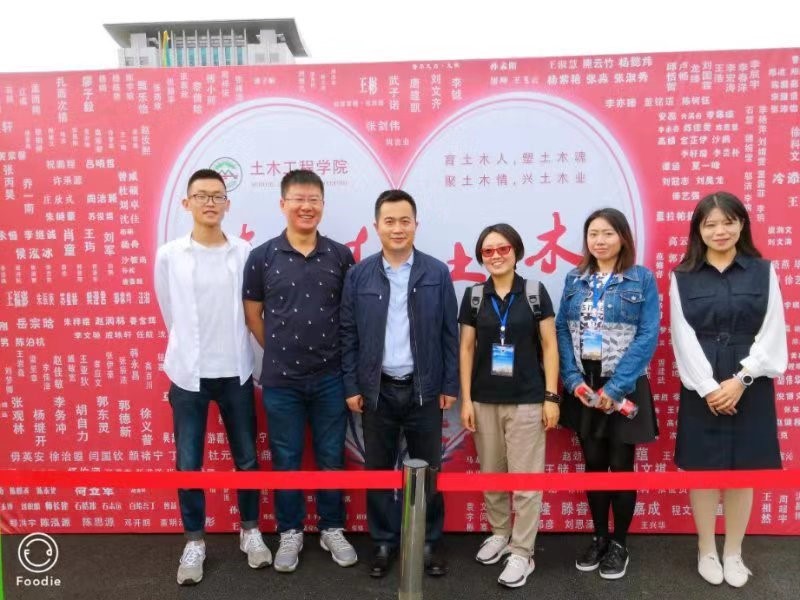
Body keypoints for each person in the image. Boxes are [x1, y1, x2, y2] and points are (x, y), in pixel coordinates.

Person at [154, 168, 270, 585]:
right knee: (188, 461)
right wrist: (187, 349)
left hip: (235, 370)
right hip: (189, 374)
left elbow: (253, 308)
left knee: (247, 458)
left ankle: (250, 531)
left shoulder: (244, 252)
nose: (209, 202)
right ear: (186, 203)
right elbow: (169, 309)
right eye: (201, 195)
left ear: (227, 203)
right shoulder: (170, 255)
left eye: (217, 196)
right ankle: (194, 541)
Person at [670, 191, 787, 588]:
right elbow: (682, 336)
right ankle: (706, 548)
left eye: (728, 222)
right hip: (700, 381)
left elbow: (773, 331)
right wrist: (707, 387)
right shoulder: (682, 275)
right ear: (698, 230)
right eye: (710, 224)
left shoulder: (763, 271)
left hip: (749, 380)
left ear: (742, 225)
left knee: (743, 472)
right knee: (702, 471)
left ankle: (734, 552)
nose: (720, 231)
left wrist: (742, 379)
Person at [243, 169, 357, 573]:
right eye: (298, 199)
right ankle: (290, 531)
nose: (306, 207)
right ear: (283, 204)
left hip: (331, 377)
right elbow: (253, 315)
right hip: (282, 380)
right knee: (286, 459)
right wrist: (279, 350)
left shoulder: (341, 256)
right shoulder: (262, 257)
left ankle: (331, 528)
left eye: (314, 200)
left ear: (323, 205)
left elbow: (350, 317)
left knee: (331, 456)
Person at [340, 189, 459, 578]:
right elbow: (348, 334)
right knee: (378, 469)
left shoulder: (436, 273)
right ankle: (383, 542)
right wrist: (352, 386)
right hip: (377, 390)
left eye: (404, 221)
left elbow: (449, 333)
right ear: (376, 226)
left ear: (416, 225)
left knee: (428, 471)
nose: (397, 228)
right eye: (389, 221)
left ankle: (429, 541)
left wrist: (449, 384)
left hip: (424, 389)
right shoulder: (358, 275)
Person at [555, 207, 660, 580]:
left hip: (624, 383)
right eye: (593, 234)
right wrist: (572, 380)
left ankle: (619, 543)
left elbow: (648, 334)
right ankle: (599, 537)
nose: (599, 241)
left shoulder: (641, 278)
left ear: (623, 238)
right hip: (584, 385)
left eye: (608, 233)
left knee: (621, 466)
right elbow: (561, 330)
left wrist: (614, 388)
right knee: (595, 465)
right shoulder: (575, 278)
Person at [458, 223, 560, 588]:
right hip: (484, 400)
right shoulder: (474, 296)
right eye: (488, 251)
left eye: (503, 249)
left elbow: (549, 345)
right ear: (481, 257)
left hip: (527, 400)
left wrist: (551, 396)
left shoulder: (533, 292)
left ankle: (522, 552)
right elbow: (466, 349)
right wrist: (466, 399)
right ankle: (500, 533)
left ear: (516, 251)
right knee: (492, 476)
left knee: (526, 482)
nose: (496, 256)